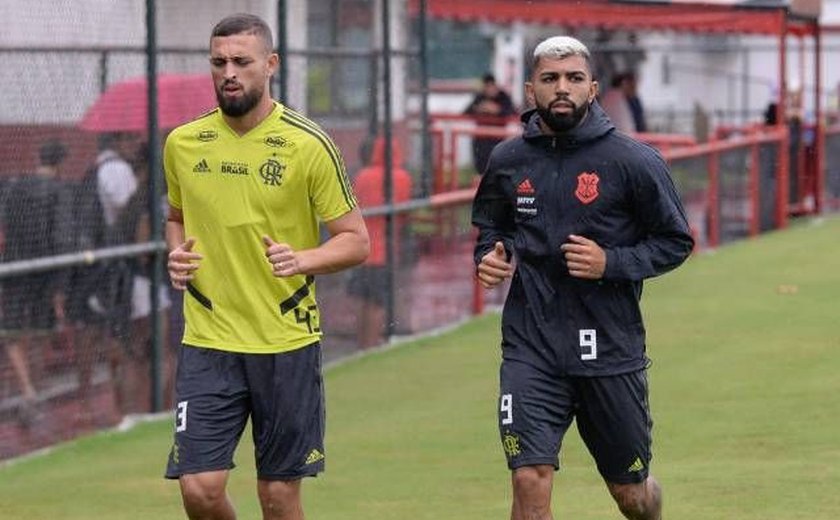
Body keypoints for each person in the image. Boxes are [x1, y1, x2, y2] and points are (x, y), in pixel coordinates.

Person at [471, 36, 694, 520]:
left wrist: (610, 263)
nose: (562, 88)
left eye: (573, 78)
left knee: (630, 495)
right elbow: (493, 227)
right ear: (531, 90)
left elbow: (675, 241)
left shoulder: (633, 161)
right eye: (550, 79)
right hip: (531, 345)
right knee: (529, 478)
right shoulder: (508, 161)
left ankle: (647, 502)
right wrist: (489, 255)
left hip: (608, 349)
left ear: (592, 88)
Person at [163, 13, 369, 520]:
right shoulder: (183, 144)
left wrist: (304, 259)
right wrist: (177, 253)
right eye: (219, 62)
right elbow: (176, 215)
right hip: (209, 341)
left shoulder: (308, 144)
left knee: (278, 497)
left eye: (241, 61)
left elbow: (356, 241)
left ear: (271, 64)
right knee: (199, 489)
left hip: (286, 344)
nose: (229, 72)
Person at [0, 139, 70, 425]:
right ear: (61, 163)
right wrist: (60, 287)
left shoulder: (15, 187)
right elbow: (61, 237)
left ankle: (29, 388)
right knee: (39, 329)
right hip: (45, 270)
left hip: (16, 265)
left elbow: (6, 221)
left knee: (14, 330)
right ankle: (34, 389)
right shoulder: (59, 191)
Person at [347, 136, 413, 348]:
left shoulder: (363, 175)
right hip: (383, 249)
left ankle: (362, 344)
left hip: (359, 247)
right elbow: (404, 214)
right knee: (378, 302)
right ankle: (372, 347)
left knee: (364, 299)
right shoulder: (401, 177)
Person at [463, 73, 516, 175]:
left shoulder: (503, 96)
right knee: (481, 166)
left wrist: (497, 110)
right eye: (487, 87)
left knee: (497, 164)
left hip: (498, 138)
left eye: (492, 86)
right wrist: (480, 109)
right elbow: (466, 112)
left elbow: (512, 113)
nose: (490, 89)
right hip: (481, 139)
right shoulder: (480, 97)